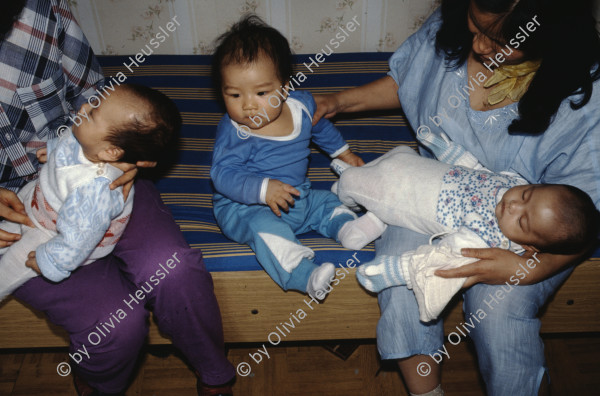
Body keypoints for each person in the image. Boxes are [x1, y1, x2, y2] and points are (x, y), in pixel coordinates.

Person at [312, 0, 600, 394]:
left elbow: (585, 221)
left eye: (500, 40)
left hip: (529, 229)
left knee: (498, 312)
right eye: (476, 27)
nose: (480, 46)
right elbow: (409, 80)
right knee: (401, 288)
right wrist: (337, 102)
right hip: (435, 191)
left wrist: (524, 269)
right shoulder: (451, 26)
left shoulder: (586, 98)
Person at [0, 1, 235, 395]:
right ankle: (100, 381)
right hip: (27, 215)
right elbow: (67, 249)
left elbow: (100, 95)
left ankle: (215, 373)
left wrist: (123, 157)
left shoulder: (42, 11)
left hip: (100, 174)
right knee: (116, 327)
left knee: (174, 270)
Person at [210, 15, 386, 299]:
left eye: (261, 92)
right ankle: (304, 274)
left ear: (285, 87)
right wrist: (264, 189)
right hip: (243, 206)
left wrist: (344, 153)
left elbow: (321, 128)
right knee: (263, 229)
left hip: (295, 196)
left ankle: (350, 229)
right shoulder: (235, 130)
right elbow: (222, 175)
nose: (247, 105)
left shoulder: (302, 107)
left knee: (328, 201)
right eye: (234, 94)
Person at [331, 145, 599, 321]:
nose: (514, 204)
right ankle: (375, 211)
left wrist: (395, 271)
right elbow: (478, 171)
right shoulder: (515, 184)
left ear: (529, 248)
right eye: (528, 195)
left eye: (523, 220)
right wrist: (447, 150)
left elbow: (442, 260)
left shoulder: (489, 239)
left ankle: (355, 188)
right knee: (400, 152)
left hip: (399, 193)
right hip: (414, 165)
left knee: (352, 183)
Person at [0, 84, 180, 300]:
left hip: (55, 233)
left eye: (93, 112)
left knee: (8, 269)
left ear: (110, 152)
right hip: (39, 202)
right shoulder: (90, 139)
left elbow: (81, 236)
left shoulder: (94, 191)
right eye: (94, 102)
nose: (84, 106)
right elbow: (70, 140)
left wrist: (53, 261)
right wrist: (53, 150)